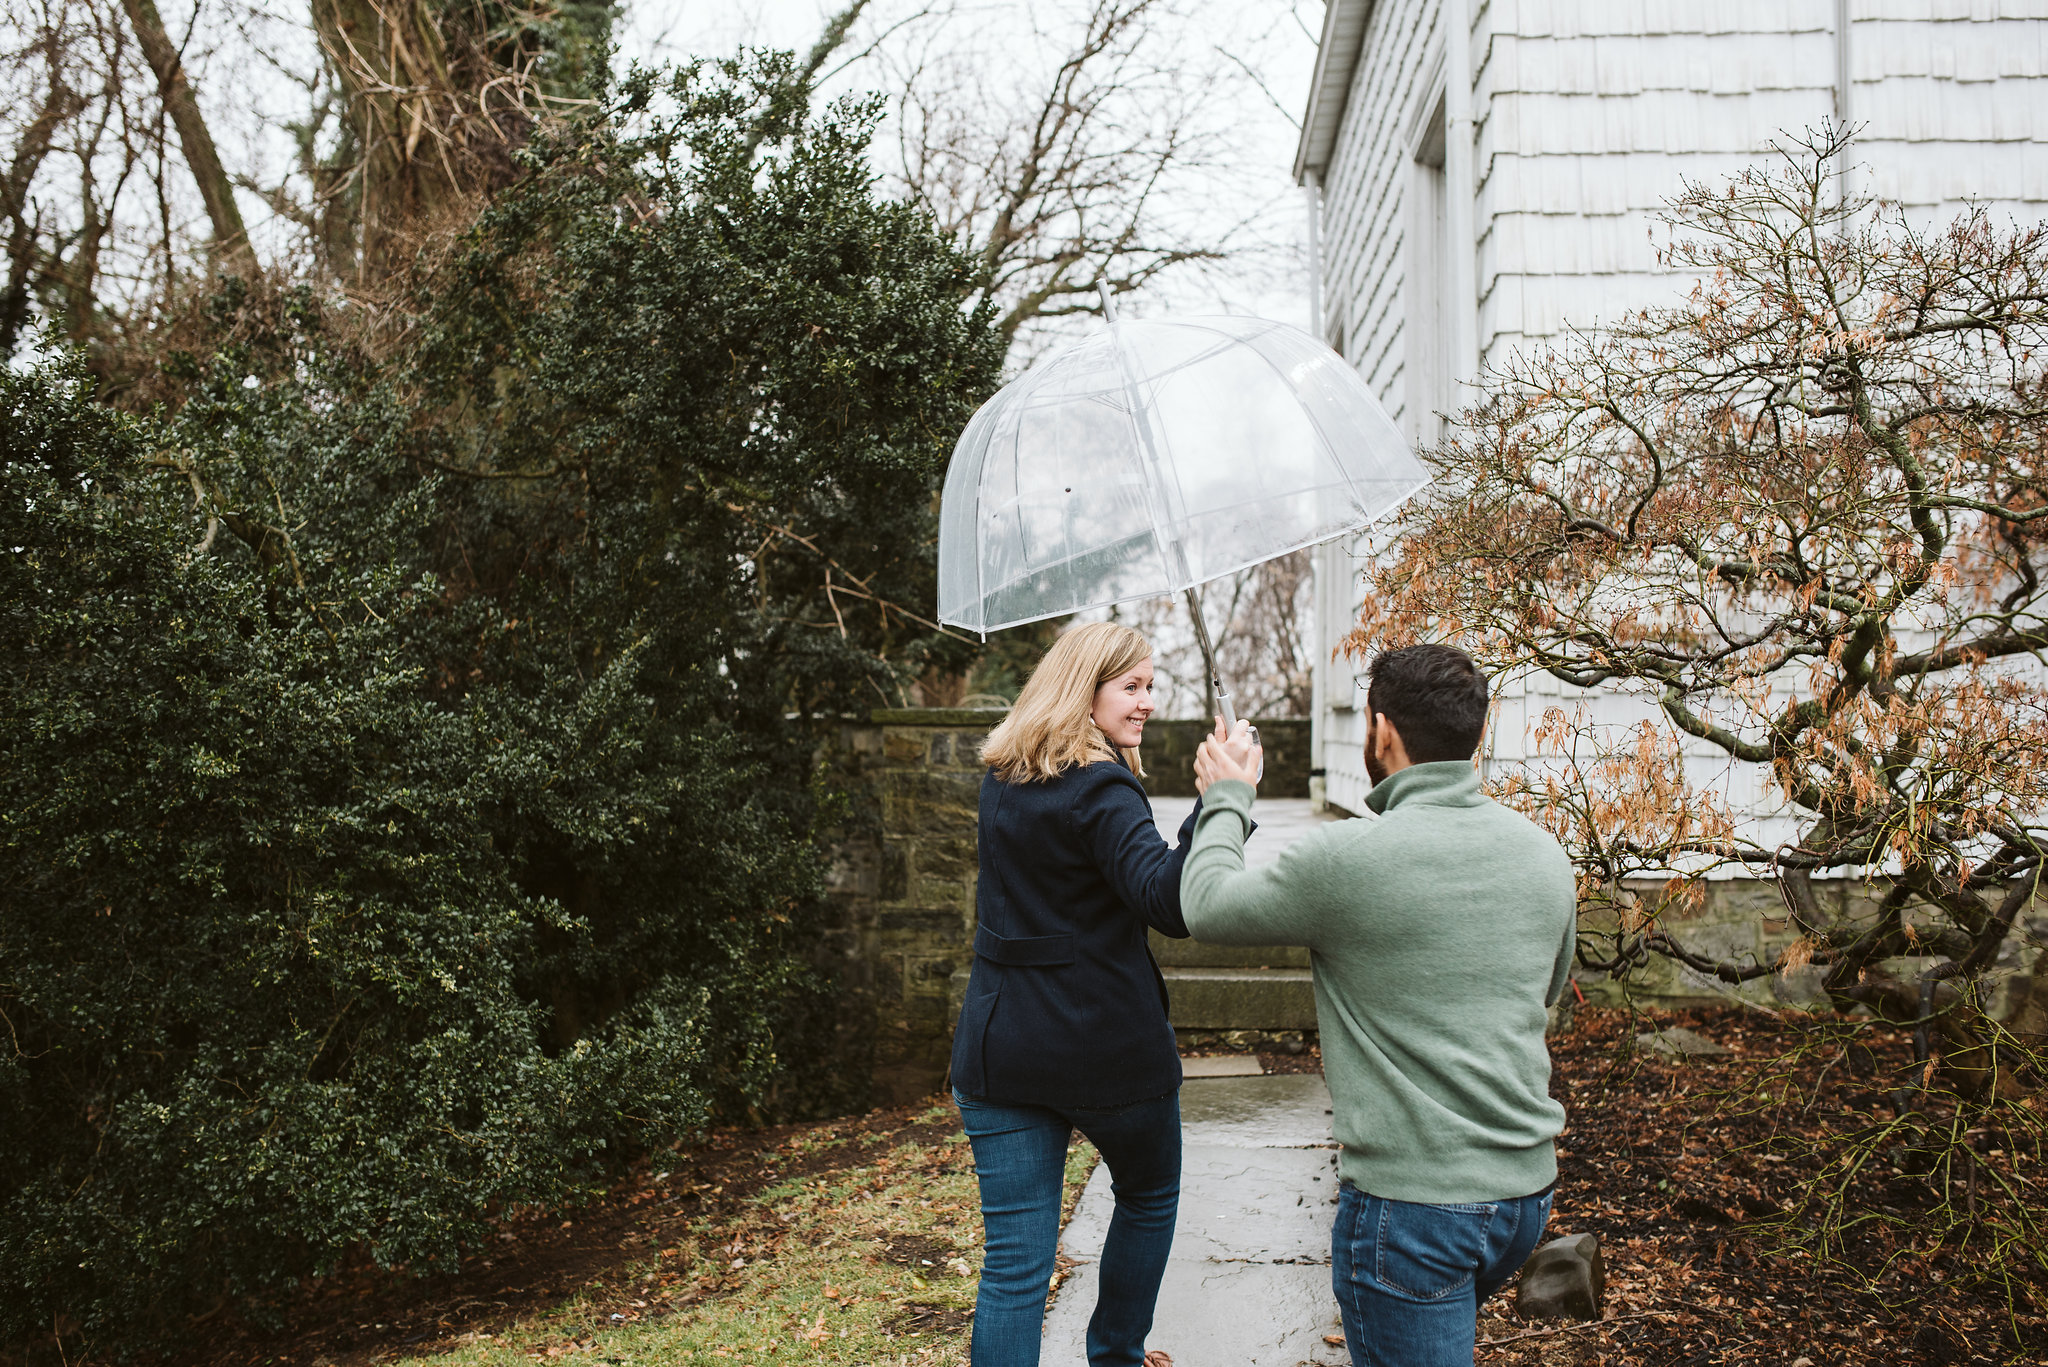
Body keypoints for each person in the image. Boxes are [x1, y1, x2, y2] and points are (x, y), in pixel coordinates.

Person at [1179, 643, 1576, 1367]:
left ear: (1382, 729)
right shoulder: (1546, 856)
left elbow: (1206, 905)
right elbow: (1541, 994)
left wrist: (1227, 796)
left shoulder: (1347, 859)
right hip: (1523, 1195)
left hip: (1414, 1209)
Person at [950, 620, 1249, 1367]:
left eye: (1151, 685)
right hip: (1104, 1048)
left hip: (1001, 1045)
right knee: (1149, 1194)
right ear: (1084, 689)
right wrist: (1221, 802)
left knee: (1015, 1265)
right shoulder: (1103, 785)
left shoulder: (1003, 775)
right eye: (1132, 686)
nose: (1147, 701)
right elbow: (1169, 902)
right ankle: (1115, 1352)